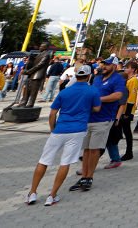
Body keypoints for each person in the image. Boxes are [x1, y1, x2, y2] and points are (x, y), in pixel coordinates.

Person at [25, 66, 101, 206]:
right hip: (78, 130)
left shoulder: (65, 91)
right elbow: (97, 108)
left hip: (60, 129)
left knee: (44, 161)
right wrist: (86, 108)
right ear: (89, 76)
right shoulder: (92, 91)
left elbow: (52, 113)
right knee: (65, 163)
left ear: (76, 76)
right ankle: (52, 195)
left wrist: (53, 129)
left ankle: (32, 192)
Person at [69, 56, 125, 193]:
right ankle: (84, 177)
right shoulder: (98, 78)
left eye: (107, 64)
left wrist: (99, 99)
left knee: (94, 150)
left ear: (114, 66)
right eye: (103, 64)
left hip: (103, 119)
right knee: (86, 149)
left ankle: (89, 178)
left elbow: (118, 95)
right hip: (90, 117)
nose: (104, 66)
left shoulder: (117, 79)